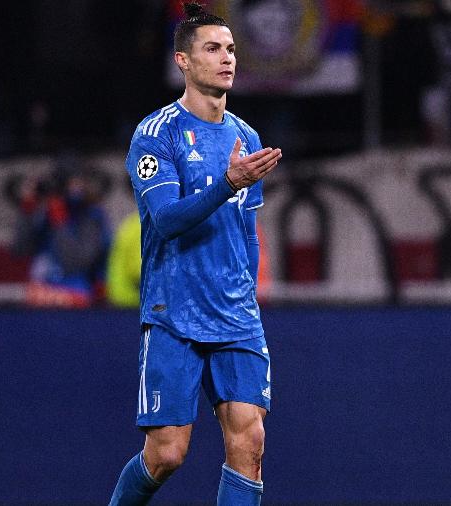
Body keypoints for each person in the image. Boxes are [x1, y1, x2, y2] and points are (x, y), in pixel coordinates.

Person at [108, 3, 282, 504]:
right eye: (212, 48)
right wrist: (228, 182)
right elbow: (165, 220)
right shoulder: (156, 134)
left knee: (249, 442)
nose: (226, 58)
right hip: (173, 312)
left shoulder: (245, 137)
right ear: (183, 60)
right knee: (167, 453)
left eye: (230, 49)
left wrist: (246, 290)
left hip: (235, 314)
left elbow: (247, 229)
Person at [13, 162, 111, 308]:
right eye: (71, 182)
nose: (76, 187)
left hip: (79, 290)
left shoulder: (92, 216)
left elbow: (80, 262)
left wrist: (60, 223)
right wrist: (27, 210)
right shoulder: (47, 211)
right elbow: (20, 250)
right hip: (43, 288)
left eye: (79, 181)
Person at [106, 210, 142, 308]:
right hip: (129, 303)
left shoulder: (135, 222)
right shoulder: (142, 226)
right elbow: (138, 272)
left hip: (126, 301)